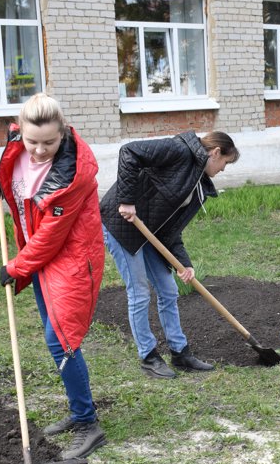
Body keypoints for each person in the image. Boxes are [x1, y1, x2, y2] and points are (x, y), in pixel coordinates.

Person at [0, 93, 106, 460]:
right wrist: (1, 184)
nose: (39, 151)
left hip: (70, 259)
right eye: (32, 141)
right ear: (20, 131)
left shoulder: (73, 175)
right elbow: (12, 163)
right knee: (54, 336)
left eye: (49, 143)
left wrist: (16, 267)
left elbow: (51, 236)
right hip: (39, 257)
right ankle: (78, 411)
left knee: (63, 340)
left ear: (64, 133)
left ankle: (88, 425)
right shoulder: (17, 144)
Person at [100, 131, 240, 378]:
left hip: (149, 233)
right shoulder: (180, 149)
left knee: (168, 290)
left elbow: (171, 228)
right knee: (139, 292)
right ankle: (148, 356)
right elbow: (129, 152)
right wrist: (126, 200)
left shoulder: (198, 184)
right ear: (216, 152)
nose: (223, 170)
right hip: (121, 224)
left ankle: (179, 352)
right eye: (225, 163)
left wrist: (183, 263)